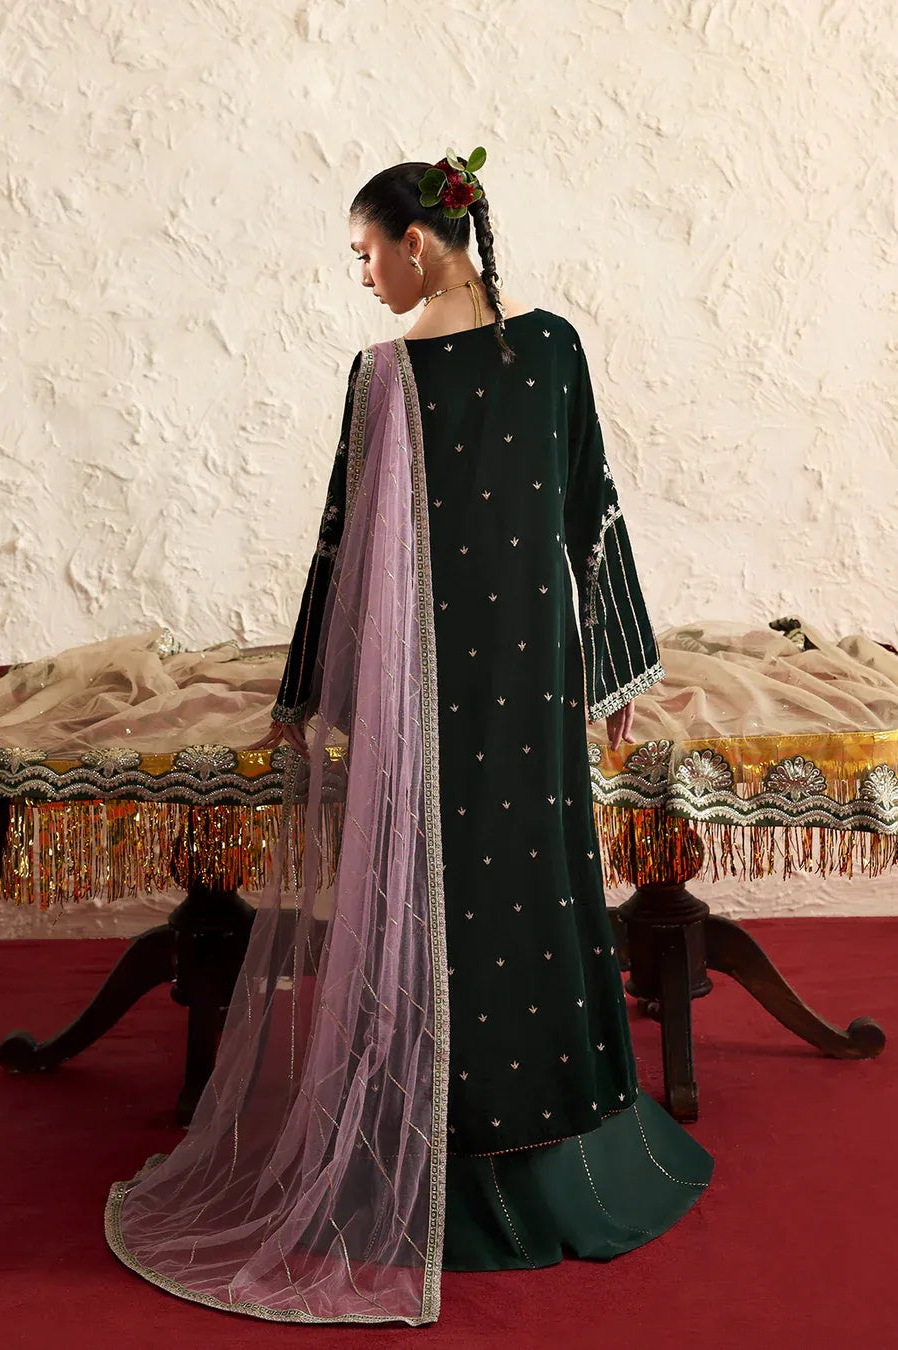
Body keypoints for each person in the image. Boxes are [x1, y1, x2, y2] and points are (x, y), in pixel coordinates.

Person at [105, 146, 712, 1325]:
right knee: (458, 886)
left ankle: (519, 1145)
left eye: (366, 253)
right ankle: (450, 1141)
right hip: (464, 687)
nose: (363, 276)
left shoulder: (518, 355)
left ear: (419, 243)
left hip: (501, 685)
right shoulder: (407, 372)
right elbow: (371, 537)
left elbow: (583, 506)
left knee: (517, 880)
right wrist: (309, 692)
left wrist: (611, 666)